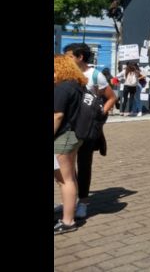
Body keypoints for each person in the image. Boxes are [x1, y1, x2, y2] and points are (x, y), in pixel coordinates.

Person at [63, 43, 117, 221]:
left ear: (80, 57)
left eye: (69, 56)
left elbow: (111, 98)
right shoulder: (66, 74)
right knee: (67, 166)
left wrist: (99, 115)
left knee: (84, 164)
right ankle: (70, 201)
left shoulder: (95, 75)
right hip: (68, 126)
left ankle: (83, 202)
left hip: (86, 127)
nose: (66, 59)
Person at [54, 55, 87, 234]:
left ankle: (67, 221)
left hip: (62, 137)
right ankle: (68, 214)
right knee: (70, 178)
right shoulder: (77, 85)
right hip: (74, 135)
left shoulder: (62, 88)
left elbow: (57, 116)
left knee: (64, 180)